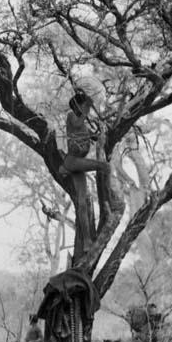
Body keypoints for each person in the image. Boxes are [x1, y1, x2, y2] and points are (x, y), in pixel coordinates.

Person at [60, 89, 110, 251]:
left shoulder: (83, 125)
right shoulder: (72, 117)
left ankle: (87, 241)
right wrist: (86, 106)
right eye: (85, 107)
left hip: (78, 166)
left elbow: (92, 136)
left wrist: (100, 133)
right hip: (73, 162)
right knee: (103, 166)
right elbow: (76, 123)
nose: (88, 110)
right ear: (78, 107)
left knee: (82, 204)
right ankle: (108, 200)